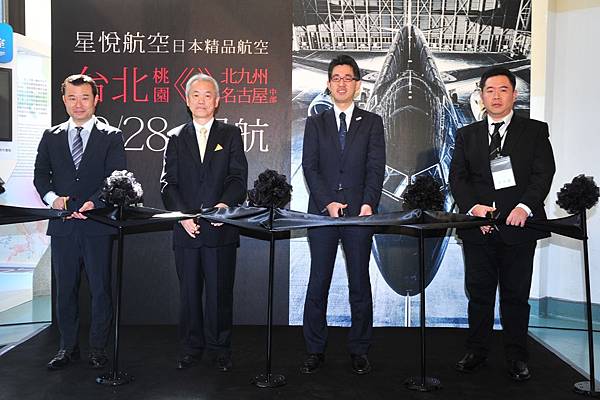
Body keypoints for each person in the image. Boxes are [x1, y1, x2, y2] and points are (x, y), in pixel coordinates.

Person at [449, 67, 555, 381]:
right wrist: (473, 210)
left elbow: (543, 174)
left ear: (514, 94)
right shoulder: (466, 135)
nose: (496, 96)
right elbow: (458, 178)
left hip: (519, 229)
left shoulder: (535, 131)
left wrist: (524, 207)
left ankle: (517, 356)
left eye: (503, 89)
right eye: (490, 90)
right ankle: (476, 351)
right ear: (481, 96)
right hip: (479, 230)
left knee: (516, 297)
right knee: (479, 295)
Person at [34, 74, 126, 370]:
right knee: (65, 290)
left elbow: (116, 176)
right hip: (63, 225)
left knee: (100, 290)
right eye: (72, 98)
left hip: (97, 225)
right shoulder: (51, 135)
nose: (78, 104)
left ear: (96, 99)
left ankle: (98, 349)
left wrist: (94, 203)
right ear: (64, 100)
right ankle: (67, 347)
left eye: (85, 97)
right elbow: (41, 175)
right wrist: (53, 199)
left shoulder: (111, 136)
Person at [301, 54, 385, 375]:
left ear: (357, 85)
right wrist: (327, 203)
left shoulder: (372, 122)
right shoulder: (316, 122)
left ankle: (360, 349)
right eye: (336, 78)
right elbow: (310, 167)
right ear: (328, 83)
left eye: (347, 78)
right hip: (323, 215)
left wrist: (368, 204)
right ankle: (314, 349)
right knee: (318, 281)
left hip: (359, 214)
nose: (341, 83)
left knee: (359, 283)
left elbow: (375, 168)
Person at [160, 73, 248, 372]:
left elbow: (237, 178)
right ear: (187, 100)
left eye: (207, 95)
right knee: (189, 295)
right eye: (195, 95)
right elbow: (168, 183)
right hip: (186, 229)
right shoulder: (175, 137)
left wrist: (224, 206)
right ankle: (190, 347)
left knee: (220, 294)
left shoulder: (230, 134)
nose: (201, 100)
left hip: (220, 228)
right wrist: (183, 216)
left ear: (217, 101)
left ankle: (220, 348)